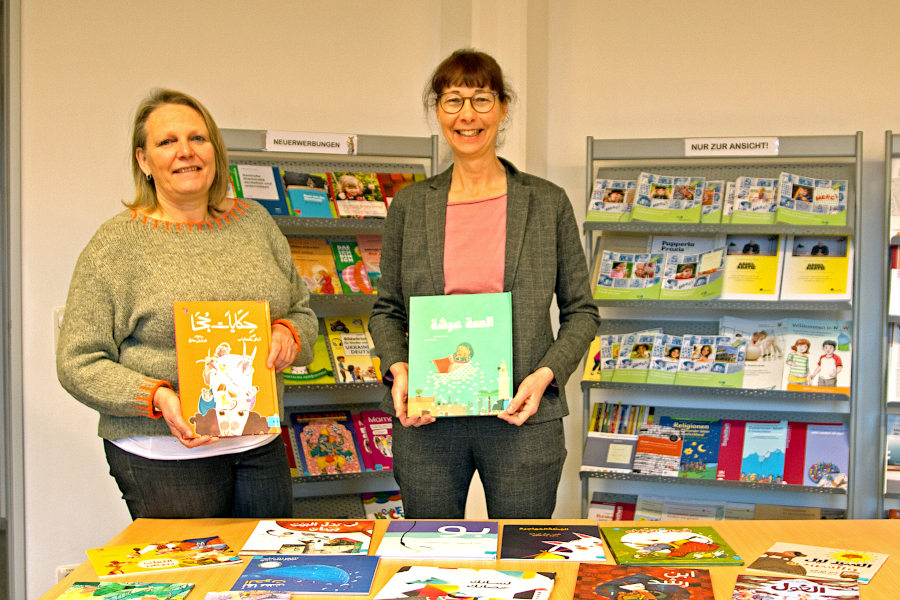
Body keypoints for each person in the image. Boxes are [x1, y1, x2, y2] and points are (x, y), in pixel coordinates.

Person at [56, 88, 317, 520]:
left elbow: (302, 311)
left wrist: (288, 334)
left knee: (266, 580)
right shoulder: (115, 245)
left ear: (214, 150)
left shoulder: (254, 223)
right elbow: (78, 361)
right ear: (143, 160)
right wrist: (156, 396)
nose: (185, 152)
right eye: (167, 142)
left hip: (258, 444)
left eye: (197, 138)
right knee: (191, 584)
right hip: (163, 455)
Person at [368, 49, 599, 519]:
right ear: (437, 110)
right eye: (453, 100)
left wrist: (546, 375)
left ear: (503, 107)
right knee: (428, 563)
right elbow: (386, 309)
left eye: (481, 99)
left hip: (522, 414)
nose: (467, 115)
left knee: (522, 561)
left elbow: (581, 311)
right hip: (428, 418)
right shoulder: (411, 206)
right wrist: (398, 367)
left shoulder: (547, 202)